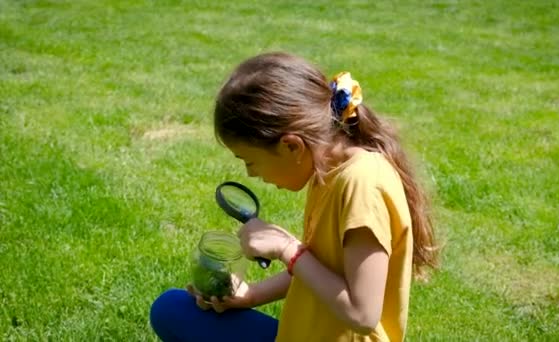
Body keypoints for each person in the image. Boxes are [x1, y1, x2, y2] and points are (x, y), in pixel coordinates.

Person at [150, 52, 438, 341]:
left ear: (291, 146)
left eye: (249, 161)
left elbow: (363, 314)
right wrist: (250, 295)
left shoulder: (362, 186)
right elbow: (319, 269)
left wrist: (289, 249)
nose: (251, 174)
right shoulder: (328, 169)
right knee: (171, 309)